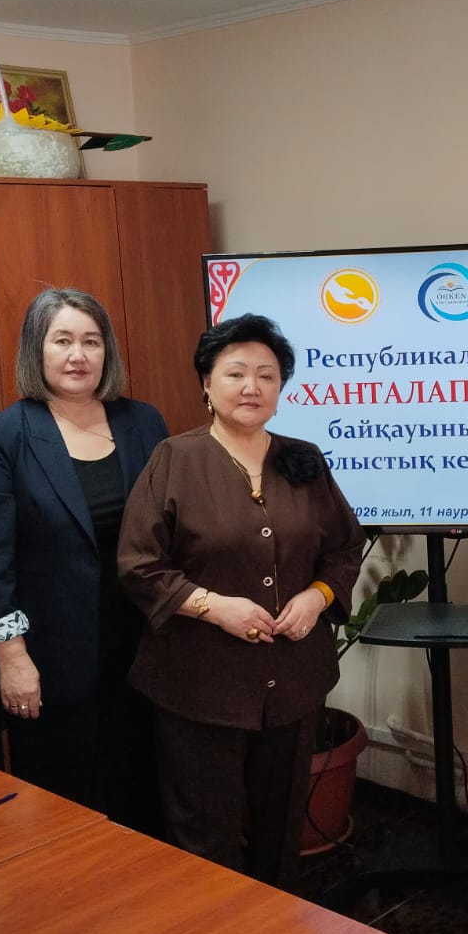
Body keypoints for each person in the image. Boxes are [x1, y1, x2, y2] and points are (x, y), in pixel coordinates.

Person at [118, 314, 363, 887]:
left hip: (293, 681)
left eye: (266, 375)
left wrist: (317, 597)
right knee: (206, 836)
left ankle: (278, 930)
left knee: (281, 830)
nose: (252, 387)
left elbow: (345, 548)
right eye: (235, 373)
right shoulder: (174, 459)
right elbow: (138, 565)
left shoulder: (303, 459)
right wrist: (211, 606)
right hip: (198, 685)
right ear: (206, 382)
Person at [0, 289, 168, 819]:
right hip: (49, 662)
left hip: (142, 654)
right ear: (38, 349)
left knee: (142, 798)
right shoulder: (6, 433)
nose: (78, 355)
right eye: (63, 341)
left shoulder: (143, 422)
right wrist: (12, 659)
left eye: (92, 342)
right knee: (63, 808)